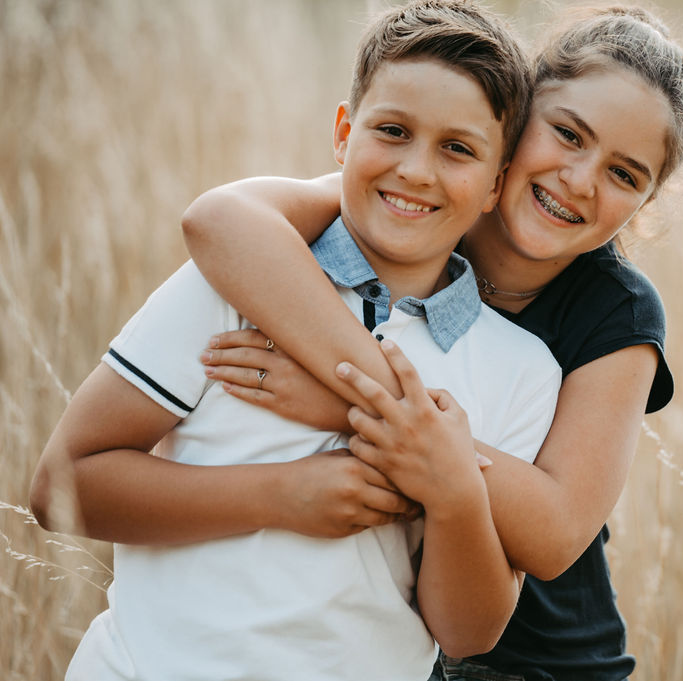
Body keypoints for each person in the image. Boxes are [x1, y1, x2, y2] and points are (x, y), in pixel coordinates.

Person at [28, 2, 561, 680]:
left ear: (497, 182)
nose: (417, 170)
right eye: (392, 130)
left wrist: (454, 489)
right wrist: (281, 495)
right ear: (343, 134)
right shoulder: (238, 283)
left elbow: (469, 632)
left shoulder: (521, 370)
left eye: (457, 148)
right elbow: (61, 485)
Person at [184, 6, 683, 680]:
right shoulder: (423, 204)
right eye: (568, 134)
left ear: (645, 203)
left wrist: (351, 405)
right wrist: (382, 396)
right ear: (512, 121)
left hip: (539, 661)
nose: (580, 179)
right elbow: (221, 221)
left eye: (625, 175)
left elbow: (553, 531)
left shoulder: (620, 315)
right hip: (389, 639)